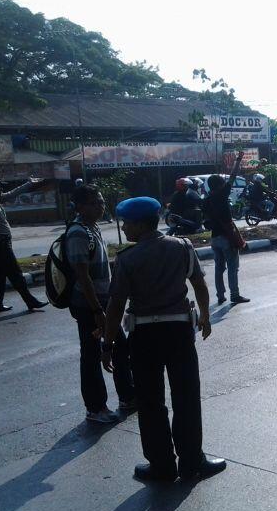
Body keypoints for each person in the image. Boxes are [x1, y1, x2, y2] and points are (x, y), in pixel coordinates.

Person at [103, 196, 226, 482]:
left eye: (127, 222)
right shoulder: (182, 247)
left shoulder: (127, 259)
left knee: (150, 401)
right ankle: (192, 461)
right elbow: (199, 283)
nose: (124, 227)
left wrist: (107, 344)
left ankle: (161, 465)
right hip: (179, 332)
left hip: (144, 335)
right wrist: (205, 316)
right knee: (186, 397)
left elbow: (116, 305)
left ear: (141, 223)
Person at [66, 186, 136, 423]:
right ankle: (96, 408)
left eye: (101, 201)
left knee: (119, 347)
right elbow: (82, 276)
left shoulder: (91, 228)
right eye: (94, 202)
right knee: (92, 354)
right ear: (80, 206)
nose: (100, 206)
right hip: (89, 305)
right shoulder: (77, 233)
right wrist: (97, 310)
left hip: (103, 301)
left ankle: (127, 396)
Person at [0, 176, 49, 314]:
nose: (0, 189)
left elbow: (12, 194)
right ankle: (30, 301)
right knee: (15, 273)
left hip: (3, 241)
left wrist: (29, 184)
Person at [203, 151, 249, 306]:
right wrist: (238, 159)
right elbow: (233, 176)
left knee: (218, 268)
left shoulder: (207, 200)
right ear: (220, 185)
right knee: (232, 268)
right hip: (226, 238)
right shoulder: (222, 195)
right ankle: (234, 295)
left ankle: (220, 296)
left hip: (214, 238)